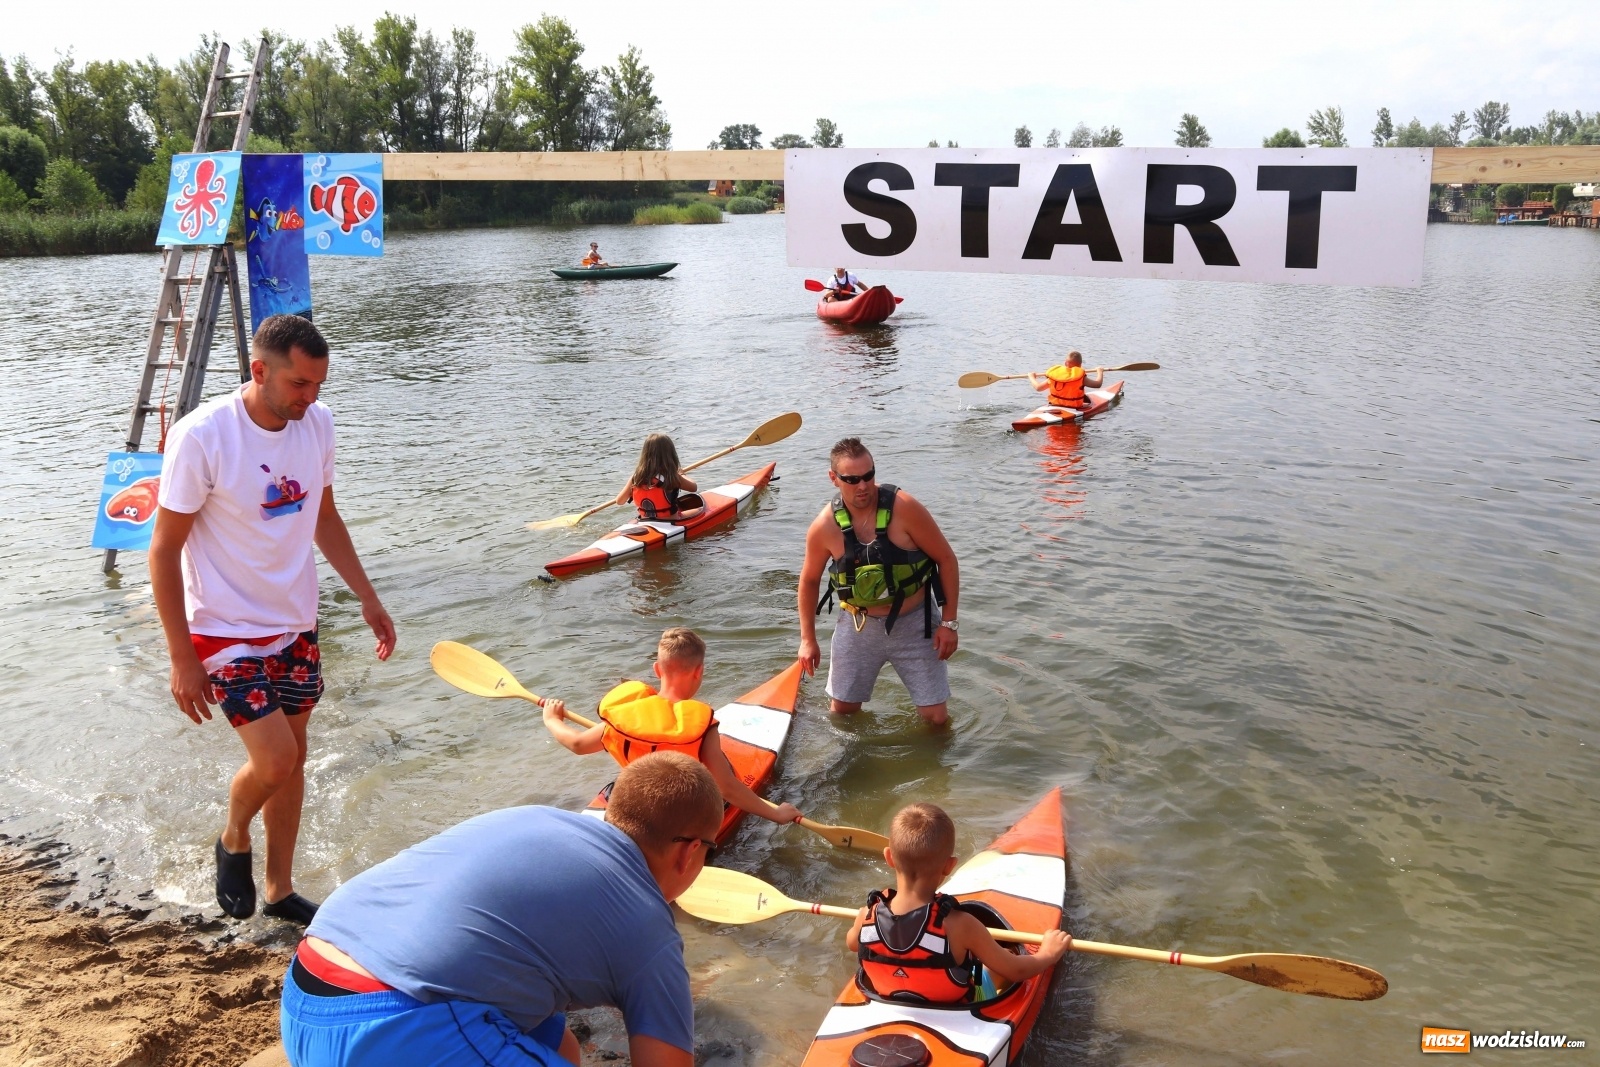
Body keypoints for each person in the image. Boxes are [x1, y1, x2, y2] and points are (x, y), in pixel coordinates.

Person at [150, 314, 395, 927]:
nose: (310, 399)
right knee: (275, 760)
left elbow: (324, 516)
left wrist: (366, 595)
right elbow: (163, 549)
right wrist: (182, 657)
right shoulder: (202, 436)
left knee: (295, 761)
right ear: (260, 371)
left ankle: (281, 890)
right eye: (300, 385)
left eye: (318, 385)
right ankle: (233, 835)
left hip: (295, 620)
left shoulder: (318, 425)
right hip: (224, 628)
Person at [281, 752, 722, 1067]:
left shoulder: (533, 817)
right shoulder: (650, 929)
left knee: (559, 1041)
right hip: (390, 1034)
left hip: (305, 992)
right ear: (689, 854)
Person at [541, 628, 803, 828]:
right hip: (679, 813)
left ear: (657, 670)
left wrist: (552, 719)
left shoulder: (623, 714)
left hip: (636, 805)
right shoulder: (703, 727)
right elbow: (727, 788)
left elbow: (577, 744)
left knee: (628, 779)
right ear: (699, 672)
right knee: (723, 768)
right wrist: (776, 814)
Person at [797, 438, 961, 726]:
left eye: (869, 475)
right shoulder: (823, 527)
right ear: (834, 479)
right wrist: (808, 639)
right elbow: (809, 581)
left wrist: (949, 624)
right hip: (858, 627)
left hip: (915, 624)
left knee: (936, 720)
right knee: (842, 714)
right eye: (852, 479)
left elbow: (946, 559)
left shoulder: (905, 508)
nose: (863, 486)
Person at [846, 803, 1071, 1004]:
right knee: (1008, 957)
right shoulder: (960, 925)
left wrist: (861, 917)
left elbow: (852, 944)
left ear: (889, 857)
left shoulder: (867, 915)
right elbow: (1017, 971)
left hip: (889, 999)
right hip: (954, 1007)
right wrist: (1048, 955)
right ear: (949, 866)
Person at [615, 434, 705, 521]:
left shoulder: (636, 478)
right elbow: (694, 487)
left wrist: (632, 492)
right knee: (702, 509)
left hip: (645, 520)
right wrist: (682, 475)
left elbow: (620, 501)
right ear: (670, 454)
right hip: (671, 520)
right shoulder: (671, 476)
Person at [1027, 350, 1104, 410]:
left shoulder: (1055, 375)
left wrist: (1031, 377)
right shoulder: (1081, 377)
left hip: (1054, 405)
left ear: (1065, 363)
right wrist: (1099, 372)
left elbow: (1038, 388)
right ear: (1080, 365)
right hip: (1074, 408)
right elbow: (1097, 384)